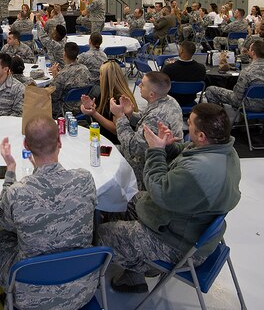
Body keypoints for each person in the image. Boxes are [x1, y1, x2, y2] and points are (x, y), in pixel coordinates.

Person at [99, 103, 241, 293]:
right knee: (124, 200)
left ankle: (142, 266)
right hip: (189, 223)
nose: (185, 125)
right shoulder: (223, 149)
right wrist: (169, 146)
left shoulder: (198, 171)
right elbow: (188, 150)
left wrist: (156, 150)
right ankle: (133, 272)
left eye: (189, 123)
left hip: (177, 243)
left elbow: (158, 189)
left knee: (101, 234)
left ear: (201, 135)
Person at [0, 118, 98, 310]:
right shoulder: (84, 179)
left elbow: (1, 220)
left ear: (26, 146)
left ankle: (9, 297)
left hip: (32, 297)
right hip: (81, 289)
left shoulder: (17, 192)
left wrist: (10, 172)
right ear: (60, 142)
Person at [111, 71, 183, 188]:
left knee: (107, 154)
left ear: (151, 94)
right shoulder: (168, 100)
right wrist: (130, 115)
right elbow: (145, 120)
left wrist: (120, 117)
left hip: (150, 166)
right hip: (164, 155)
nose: (139, 85)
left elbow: (132, 148)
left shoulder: (156, 116)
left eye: (143, 84)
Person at [205, 41, 264, 121]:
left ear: (252, 52)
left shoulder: (247, 71)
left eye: (250, 49)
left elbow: (237, 97)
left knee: (210, 90)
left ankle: (219, 121)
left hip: (250, 105)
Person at [80, 60, 137, 144]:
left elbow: (116, 130)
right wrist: (89, 107)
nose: (99, 78)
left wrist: (95, 113)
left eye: (101, 74)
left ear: (106, 78)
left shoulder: (119, 99)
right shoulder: (105, 93)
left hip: (114, 144)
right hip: (103, 137)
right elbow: (96, 109)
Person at [49, 42, 92, 117]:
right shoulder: (85, 69)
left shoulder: (63, 74)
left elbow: (53, 96)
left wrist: (55, 77)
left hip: (65, 109)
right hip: (82, 105)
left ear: (64, 54)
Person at [160, 40, 207, 108]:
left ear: (181, 51)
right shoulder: (201, 68)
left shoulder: (169, 68)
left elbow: (161, 84)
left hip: (172, 100)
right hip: (190, 99)